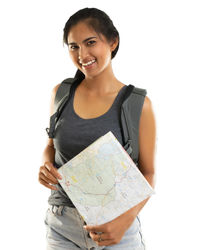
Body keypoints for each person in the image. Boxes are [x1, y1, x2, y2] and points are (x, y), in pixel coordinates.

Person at [38, 7, 156, 250]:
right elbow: (50, 146)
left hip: (116, 228)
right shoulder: (60, 94)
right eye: (73, 46)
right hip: (61, 225)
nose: (82, 54)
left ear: (113, 42)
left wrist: (123, 223)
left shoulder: (137, 104)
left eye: (90, 42)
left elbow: (148, 174)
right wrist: (46, 165)